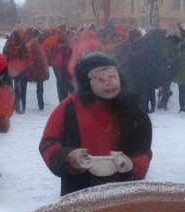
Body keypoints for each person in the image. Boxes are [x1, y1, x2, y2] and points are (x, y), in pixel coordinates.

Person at [39, 53, 152, 196]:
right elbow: (48, 144)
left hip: (125, 187)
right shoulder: (68, 109)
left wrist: (136, 163)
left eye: (112, 77)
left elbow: (144, 145)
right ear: (87, 82)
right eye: (101, 79)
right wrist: (67, 157)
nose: (108, 82)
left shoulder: (132, 105)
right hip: (79, 189)